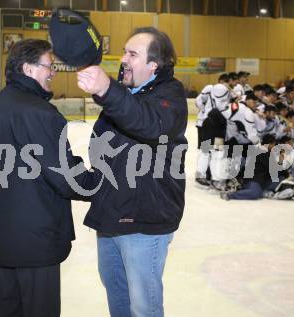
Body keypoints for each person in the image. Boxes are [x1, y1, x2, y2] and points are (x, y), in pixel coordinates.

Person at [0, 39, 97, 316]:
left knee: (9, 309)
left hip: (3, 236)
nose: (53, 71)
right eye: (48, 65)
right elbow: (65, 176)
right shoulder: (39, 113)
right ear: (28, 68)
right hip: (35, 239)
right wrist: (98, 182)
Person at [77, 27, 188, 317]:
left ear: (154, 65)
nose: (123, 59)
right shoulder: (124, 96)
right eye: (124, 51)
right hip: (111, 216)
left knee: (143, 306)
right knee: (117, 296)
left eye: (132, 54)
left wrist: (106, 90)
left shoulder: (170, 96)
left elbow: (148, 123)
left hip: (144, 220)